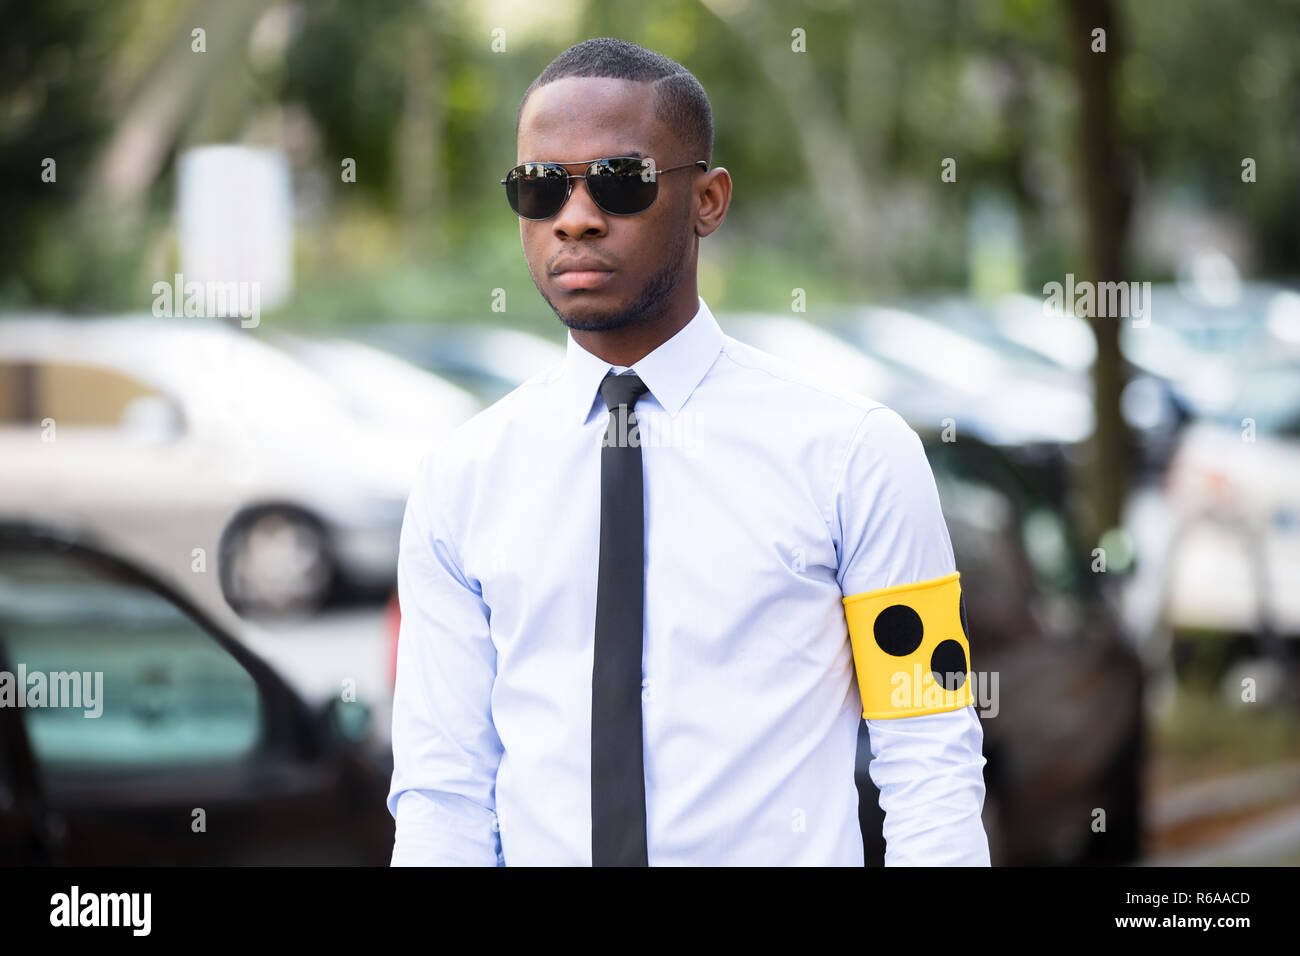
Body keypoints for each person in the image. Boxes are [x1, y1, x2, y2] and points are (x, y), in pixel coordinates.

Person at [388, 37, 990, 866]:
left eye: (619, 180)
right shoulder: (461, 479)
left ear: (708, 200)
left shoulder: (856, 455)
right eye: (540, 187)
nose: (575, 215)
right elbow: (442, 792)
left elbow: (928, 751)